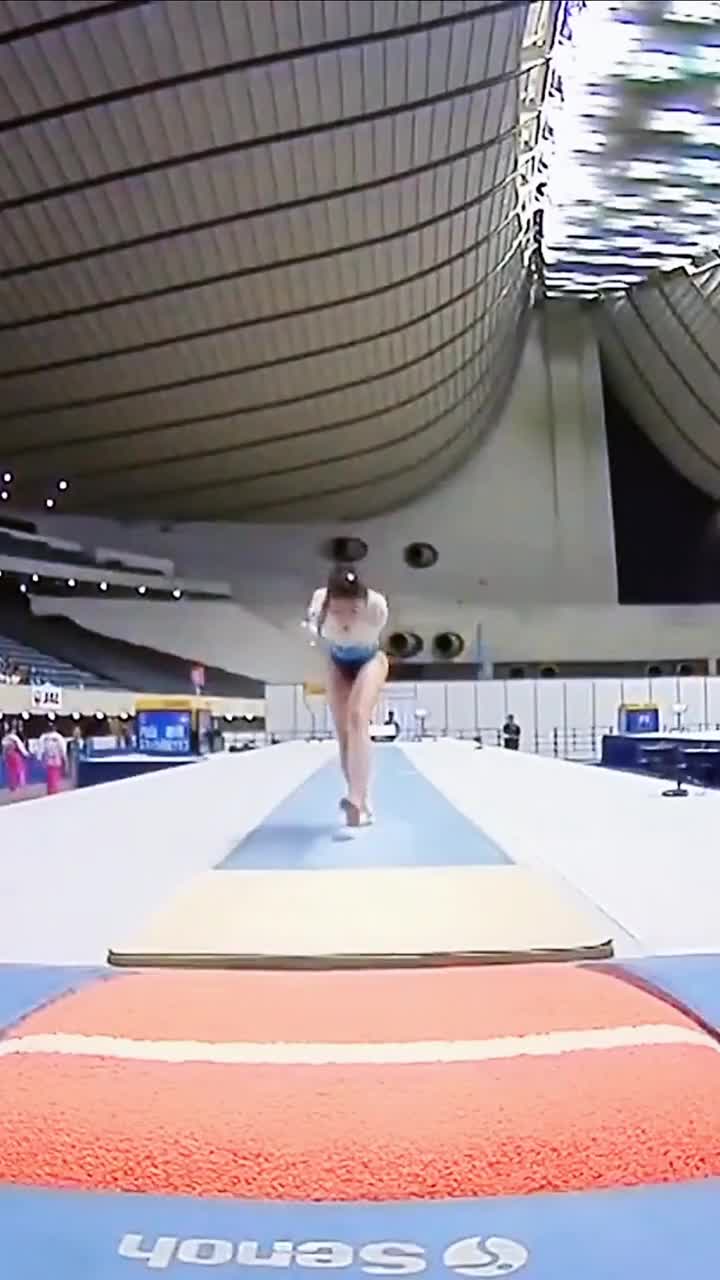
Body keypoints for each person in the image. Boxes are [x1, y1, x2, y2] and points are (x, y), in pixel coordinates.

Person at [306, 566, 389, 826]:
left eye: (353, 611)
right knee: (343, 733)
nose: (345, 619)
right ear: (328, 604)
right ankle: (362, 801)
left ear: (363, 604)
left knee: (357, 718)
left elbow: (363, 638)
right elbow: (317, 632)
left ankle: (355, 796)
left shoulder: (376, 607)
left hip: (370, 660)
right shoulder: (318, 604)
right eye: (337, 611)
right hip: (338, 662)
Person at [36, 721, 68, 795]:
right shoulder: (58, 737)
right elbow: (63, 750)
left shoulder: (43, 737)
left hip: (48, 760)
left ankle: (51, 791)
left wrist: (39, 759)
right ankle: (53, 792)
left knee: (50, 778)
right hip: (56, 760)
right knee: (54, 778)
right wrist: (65, 760)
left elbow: (40, 750)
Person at [1, 720, 29, 793]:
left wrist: (4, 756)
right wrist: (26, 754)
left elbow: (4, 749)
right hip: (14, 755)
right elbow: (20, 746)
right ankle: (21, 785)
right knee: (20, 770)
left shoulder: (4, 738)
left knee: (11, 771)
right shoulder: (14, 737)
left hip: (8, 756)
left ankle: (13, 786)